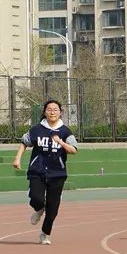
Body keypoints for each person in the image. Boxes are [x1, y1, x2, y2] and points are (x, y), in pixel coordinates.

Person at [12, 99, 78, 245]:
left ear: (60, 112)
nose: (52, 112)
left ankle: (45, 234)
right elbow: (24, 142)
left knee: (52, 209)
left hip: (57, 173)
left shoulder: (65, 131)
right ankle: (39, 209)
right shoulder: (36, 129)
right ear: (44, 112)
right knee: (36, 198)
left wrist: (60, 142)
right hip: (38, 170)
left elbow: (74, 150)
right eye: (49, 109)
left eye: (55, 110)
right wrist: (17, 158)